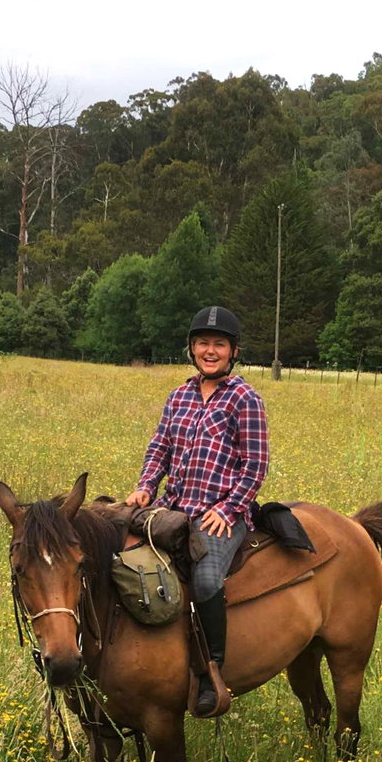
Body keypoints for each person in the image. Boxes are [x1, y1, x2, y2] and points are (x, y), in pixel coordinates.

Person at [125, 305, 269, 718]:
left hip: (221, 514)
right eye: (203, 343)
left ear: (233, 351)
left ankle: (211, 672)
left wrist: (228, 509)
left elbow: (255, 463)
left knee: (205, 577)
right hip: (174, 508)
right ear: (192, 348)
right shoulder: (179, 395)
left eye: (218, 344)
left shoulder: (245, 398)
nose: (210, 350)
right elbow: (161, 448)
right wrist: (145, 486)